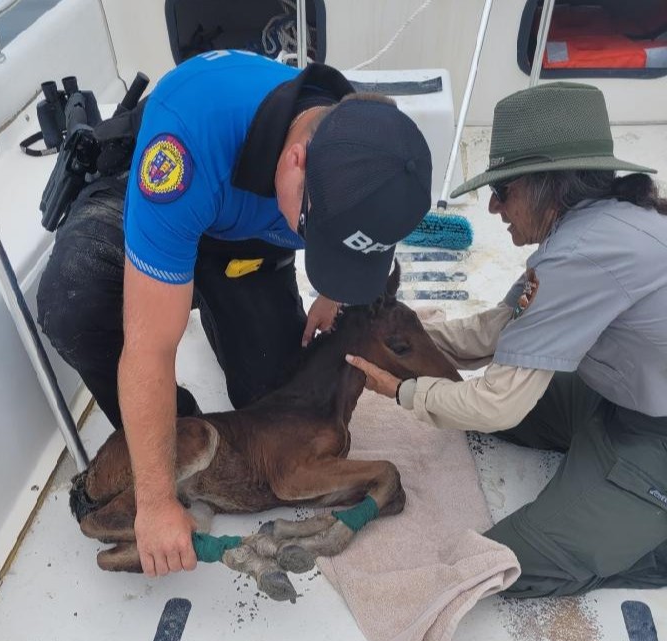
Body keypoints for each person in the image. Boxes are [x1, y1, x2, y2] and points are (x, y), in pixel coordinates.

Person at [37, 49, 433, 578]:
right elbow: (150, 347)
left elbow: (360, 241)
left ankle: (191, 443)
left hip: (244, 237)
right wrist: (155, 504)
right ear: (296, 162)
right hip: (170, 202)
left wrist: (334, 289)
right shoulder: (185, 145)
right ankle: (169, 437)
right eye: (317, 237)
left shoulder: (360, 142)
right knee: (73, 299)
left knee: (280, 404)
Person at [347, 81, 667, 598]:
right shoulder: (602, 225)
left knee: (494, 565)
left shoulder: (579, 255)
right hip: (617, 395)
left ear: (548, 187)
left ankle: (645, 525)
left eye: (502, 191)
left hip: (658, 439)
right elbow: (508, 327)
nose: (494, 208)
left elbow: (497, 405)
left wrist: (403, 393)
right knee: (460, 399)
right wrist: (406, 337)